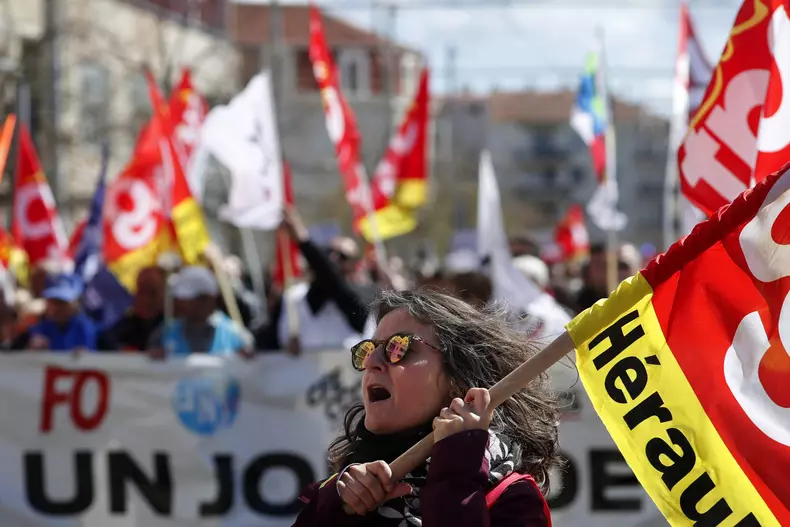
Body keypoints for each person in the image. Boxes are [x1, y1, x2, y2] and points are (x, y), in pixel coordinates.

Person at [294, 290, 558, 526]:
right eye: (368, 349)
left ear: (458, 381)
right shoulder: (340, 493)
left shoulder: (513, 498)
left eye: (398, 348)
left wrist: (456, 474)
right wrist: (332, 505)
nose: (372, 361)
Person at [147, 266, 253, 358]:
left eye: (187, 298)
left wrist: (246, 361)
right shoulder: (163, 334)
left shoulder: (237, 337)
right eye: (179, 298)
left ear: (208, 299)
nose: (179, 302)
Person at [27, 274, 98, 352]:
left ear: (75, 303)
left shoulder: (84, 327)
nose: (56, 308)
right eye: (52, 302)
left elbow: (89, 355)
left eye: (62, 302)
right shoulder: (39, 326)